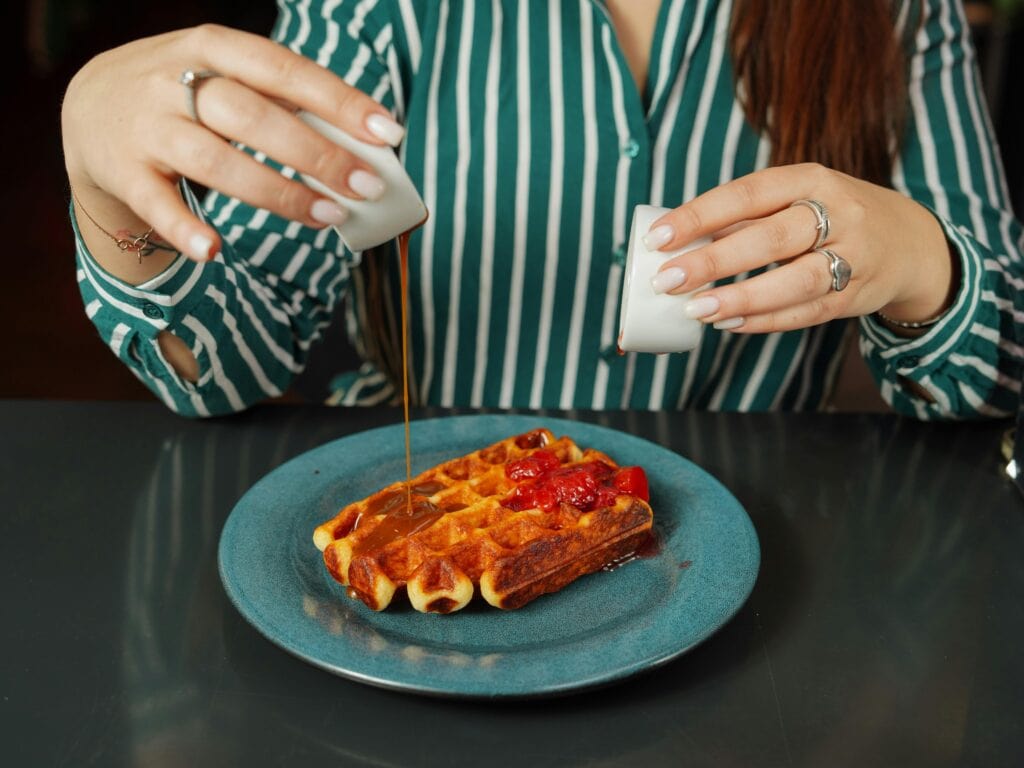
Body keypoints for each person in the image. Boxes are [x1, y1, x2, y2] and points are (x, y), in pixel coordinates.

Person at [61, 0, 1024, 419]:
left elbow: (995, 384)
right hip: (423, 543)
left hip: (742, 569)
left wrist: (927, 265)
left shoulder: (897, 15)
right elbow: (222, 367)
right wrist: (103, 180)